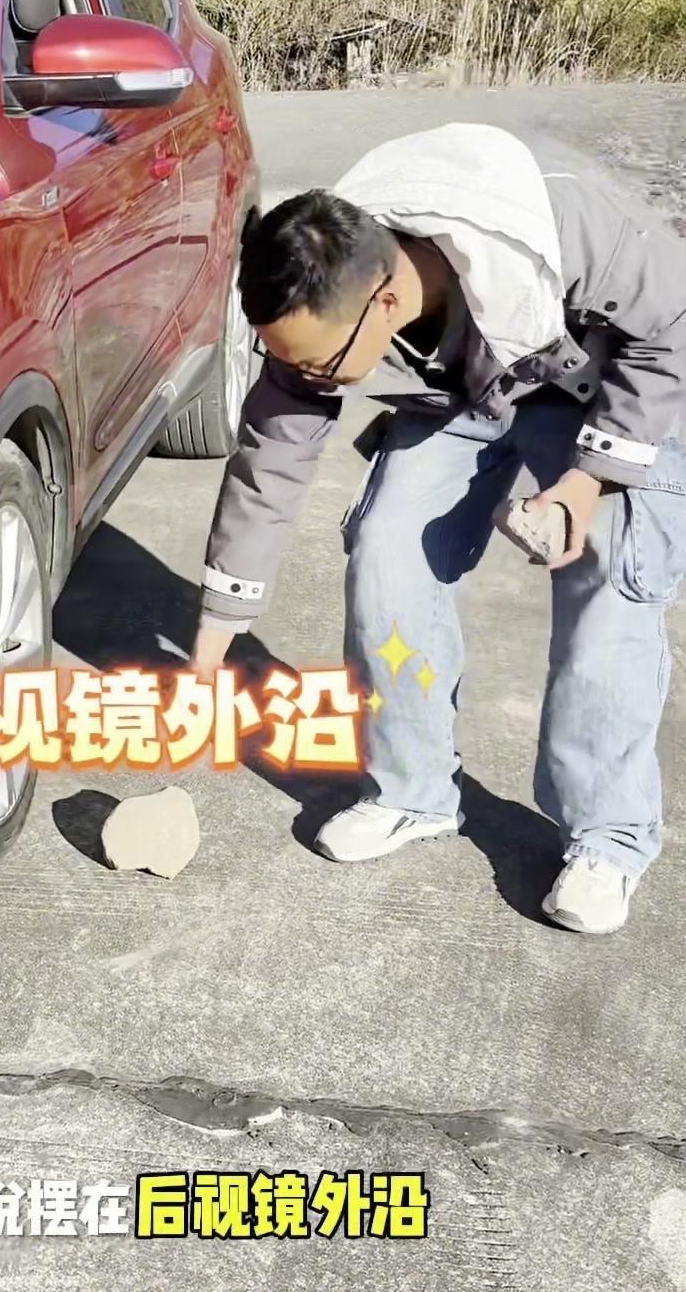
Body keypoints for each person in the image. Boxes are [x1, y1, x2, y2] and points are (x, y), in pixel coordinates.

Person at [190, 122, 686, 936]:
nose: (306, 377)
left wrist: (586, 481)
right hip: (463, 394)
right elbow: (268, 461)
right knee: (385, 551)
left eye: (318, 365)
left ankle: (609, 836)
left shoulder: (568, 227)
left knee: (609, 571)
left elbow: (672, 321)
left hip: (610, 388)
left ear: (383, 299)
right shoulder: (318, 291)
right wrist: (213, 644)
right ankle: (412, 789)